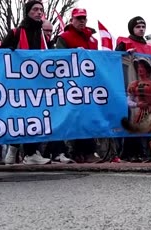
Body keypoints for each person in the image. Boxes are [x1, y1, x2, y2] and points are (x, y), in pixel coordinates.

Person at [0, 0, 51, 165]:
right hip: (19, 84)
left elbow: (51, 55)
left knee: (34, 117)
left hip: (38, 84)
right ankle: (17, 150)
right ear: (27, 12)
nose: (38, 12)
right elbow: (0, 55)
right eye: (35, 9)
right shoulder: (15, 32)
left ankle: (29, 153)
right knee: (21, 117)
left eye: (41, 10)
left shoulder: (42, 34)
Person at [54, 8, 102, 163]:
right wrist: (74, 53)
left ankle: (85, 151)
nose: (82, 21)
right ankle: (79, 151)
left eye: (84, 18)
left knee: (87, 116)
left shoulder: (92, 40)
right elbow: (59, 58)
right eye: (79, 18)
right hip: (72, 84)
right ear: (72, 20)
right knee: (75, 117)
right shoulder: (64, 38)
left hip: (89, 84)